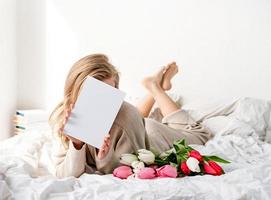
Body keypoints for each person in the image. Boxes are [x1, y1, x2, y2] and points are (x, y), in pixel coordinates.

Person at [50, 54, 212, 178]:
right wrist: (76, 144)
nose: (101, 104)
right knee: (129, 120)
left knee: (198, 135)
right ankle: (153, 88)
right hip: (136, 127)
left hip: (151, 137)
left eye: (108, 94)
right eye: (95, 94)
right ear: (74, 93)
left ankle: (155, 87)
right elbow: (64, 174)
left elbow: (127, 168)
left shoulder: (126, 116)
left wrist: (103, 157)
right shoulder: (64, 116)